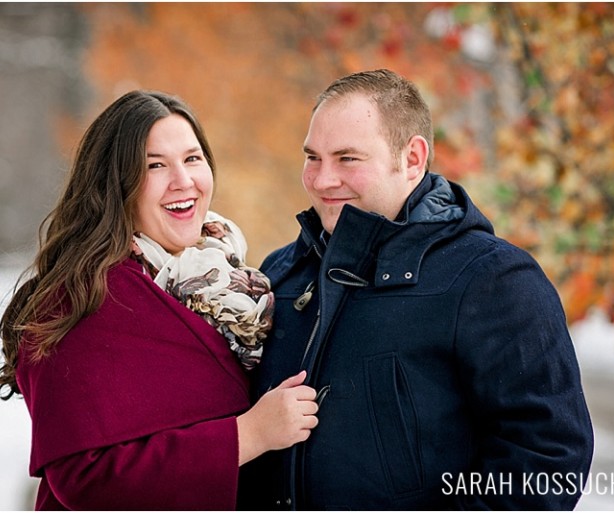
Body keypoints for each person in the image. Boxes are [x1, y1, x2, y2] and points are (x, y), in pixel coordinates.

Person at [238, 69, 594, 510]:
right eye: (313, 157)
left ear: (412, 159)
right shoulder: (282, 271)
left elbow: (546, 463)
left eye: (347, 159)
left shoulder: (493, 280)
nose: (323, 179)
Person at [0, 90, 318, 510]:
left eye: (192, 158)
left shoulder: (227, 281)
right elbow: (84, 480)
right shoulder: (78, 299)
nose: (183, 180)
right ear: (114, 184)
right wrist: (249, 435)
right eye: (155, 165)